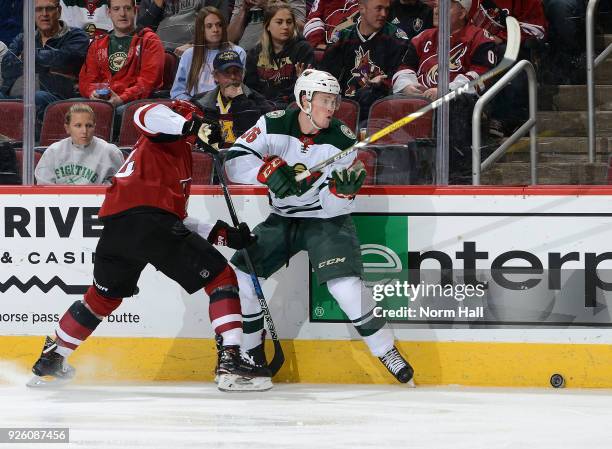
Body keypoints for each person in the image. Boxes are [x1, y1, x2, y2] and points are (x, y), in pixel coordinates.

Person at [29, 100, 272, 392]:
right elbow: (147, 114)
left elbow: (177, 218)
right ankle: (231, 362)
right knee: (222, 279)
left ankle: (53, 357)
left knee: (101, 299)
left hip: (119, 229)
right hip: (149, 223)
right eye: (197, 122)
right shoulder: (160, 134)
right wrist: (190, 124)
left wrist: (225, 235)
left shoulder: (178, 154)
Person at [223, 69, 415, 386]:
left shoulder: (342, 140)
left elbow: (335, 207)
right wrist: (265, 171)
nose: (332, 108)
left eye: (335, 101)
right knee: (242, 272)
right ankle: (251, 353)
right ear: (304, 101)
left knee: (345, 287)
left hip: (326, 221)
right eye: (326, 101)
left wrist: (341, 195)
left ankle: (386, 350)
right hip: (282, 219)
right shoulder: (272, 124)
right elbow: (233, 162)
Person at [401, 0, 498, 183]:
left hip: (458, 107)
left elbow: (480, 76)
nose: (437, 9)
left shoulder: (479, 37)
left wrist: (447, 91)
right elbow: (404, 68)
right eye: (436, 5)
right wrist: (408, 87)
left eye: (447, 5)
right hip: (420, 102)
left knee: (456, 105)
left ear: (462, 12)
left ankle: (456, 179)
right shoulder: (421, 38)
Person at [318, 0, 414, 124]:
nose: (384, 14)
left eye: (387, 9)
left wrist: (382, 83)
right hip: (342, 107)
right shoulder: (342, 37)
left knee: (368, 95)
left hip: (379, 109)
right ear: (362, 8)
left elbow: (399, 79)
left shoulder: (397, 39)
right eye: (378, 9)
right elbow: (326, 77)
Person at [0, 0, 89, 125]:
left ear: (59, 11)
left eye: (49, 9)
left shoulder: (76, 36)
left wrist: (29, 56)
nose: (44, 14)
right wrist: (46, 62)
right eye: (38, 9)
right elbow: (6, 68)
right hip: (14, 95)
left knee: (37, 97)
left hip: (55, 98)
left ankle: (32, 141)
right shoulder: (23, 38)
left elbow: (66, 60)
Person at [78, 0, 165, 108]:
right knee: (69, 107)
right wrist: (93, 94)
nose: (122, 14)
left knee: (116, 112)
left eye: (127, 8)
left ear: (135, 11)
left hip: (133, 103)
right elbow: (86, 81)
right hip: (101, 101)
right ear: (109, 12)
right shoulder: (97, 44)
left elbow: (149, 83)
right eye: (116, 9)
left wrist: (121, 99)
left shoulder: (149, 40)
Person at [192, 49, 273, 148]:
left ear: (242, 73)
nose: (233, 77)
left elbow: (261, 133)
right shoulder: (201, 102)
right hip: (214, 155)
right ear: (216, 76)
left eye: (236, 72)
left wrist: (240, 100)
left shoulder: (257, 100)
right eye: (227, 73)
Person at [244, 1, 314, 108]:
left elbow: (302, 88)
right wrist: (264, 104)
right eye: (279, 22)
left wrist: (276, 104)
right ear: (267, 25)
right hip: (261, 108)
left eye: (289, 22)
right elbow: (250, 88)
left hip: (291, 107)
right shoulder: (255, 53)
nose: (285, 27)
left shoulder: (303, 50)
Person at [35, 104, 125, 185]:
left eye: (89, 126)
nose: (84, 131)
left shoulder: (110, 152)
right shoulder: (53, 152)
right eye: (78, 126)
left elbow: (120, 185)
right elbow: (44, 187)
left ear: (94, 126)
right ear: (67, 128)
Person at [170, 7, 246, 100]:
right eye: (209, 26)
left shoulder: (237, 52)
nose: (215, 29)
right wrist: (194, 105)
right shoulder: (189, 55)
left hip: (226, 106)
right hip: (194, 107)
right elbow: (177, 92)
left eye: (219, 25)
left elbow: (239, 88)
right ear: (201, 29)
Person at [137, 0, 230, 55]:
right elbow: (141, 32)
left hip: (196, 50)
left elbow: (219, 26)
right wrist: (156, 6)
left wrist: (193, 44)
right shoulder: (149, 1)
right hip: (160, 53)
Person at [228, 0, 306, 52]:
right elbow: (230, 38)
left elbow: (301, 28)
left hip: (280, 53)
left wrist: (268, 6)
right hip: (245, 54)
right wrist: (243, 9)